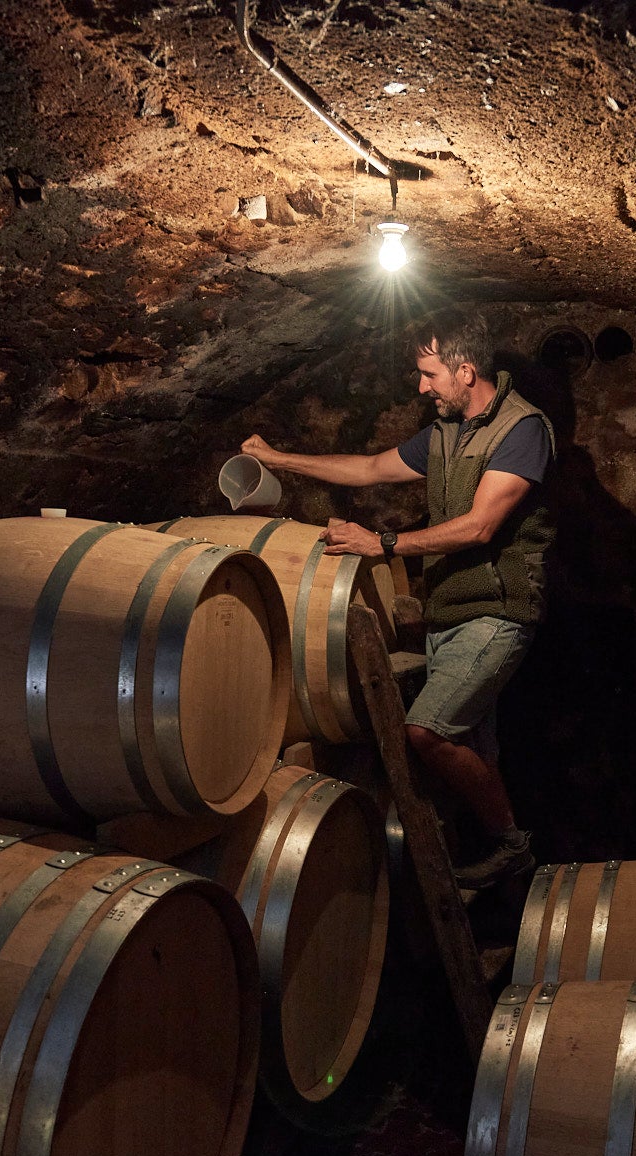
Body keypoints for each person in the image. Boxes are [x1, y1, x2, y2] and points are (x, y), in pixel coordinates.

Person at [238, 306, 555, 890]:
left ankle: (513, 848)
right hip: (449, 611)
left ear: (465, 371)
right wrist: (279, 459)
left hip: (497, 611)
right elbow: (369, 469)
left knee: (426, 731)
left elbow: (480, 527)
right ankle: (499, 862)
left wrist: (382, 543)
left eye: (430, 374)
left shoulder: (522, 430)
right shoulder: (446, 432)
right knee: (472, 746)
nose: (421, 386)